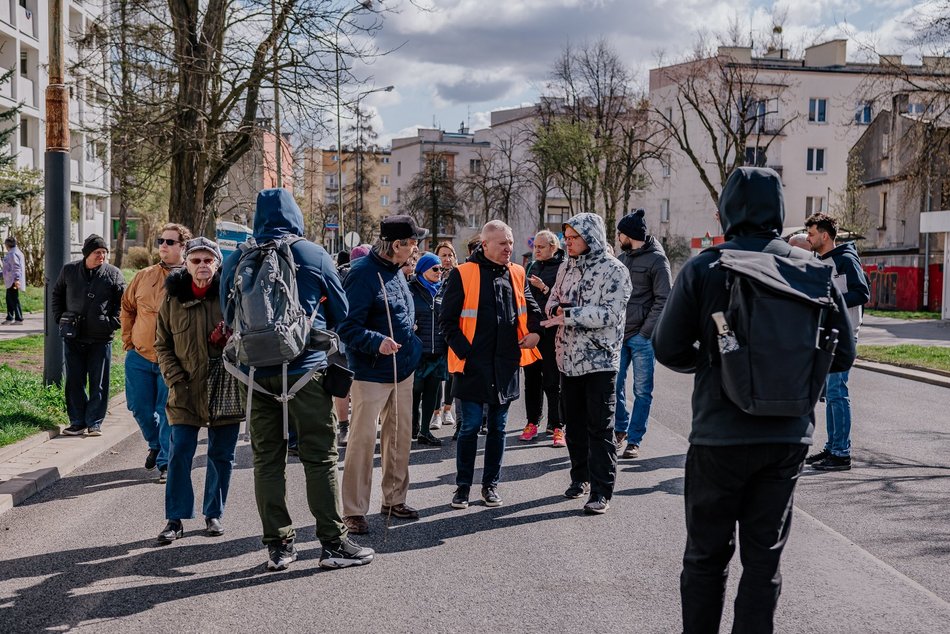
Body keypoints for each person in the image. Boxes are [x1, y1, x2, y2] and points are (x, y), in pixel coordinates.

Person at [653, 167, 855, 633]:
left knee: (705, 557)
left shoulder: (705, 267)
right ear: (779, 210)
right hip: (787, 435)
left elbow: (667, 347)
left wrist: (716, 363)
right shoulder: (813, 269)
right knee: (764, 562)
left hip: (719, 433)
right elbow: (843, 353)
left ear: (726, 210)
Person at [220, 188, 373, 571]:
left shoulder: (237, 258)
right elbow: (341, 310)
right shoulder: (313, 253)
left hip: (255, 374)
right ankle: (332, 544)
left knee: (267, 460)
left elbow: (226, 312)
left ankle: (279, 546)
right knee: (320, 457)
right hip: (306, 370)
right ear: (295, 216)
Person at [441, 220, 542, 510]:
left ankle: (490, 486)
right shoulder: (463, 273)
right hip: (473, 366)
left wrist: (535, 333)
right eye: (502, 243)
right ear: (485, 245)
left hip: (506, 364)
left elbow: (532, 309)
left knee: (498, 428)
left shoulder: (518, 272)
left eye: (510, 242)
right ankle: (462, 488)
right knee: (470, 427)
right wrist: (466, 353)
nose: (508, 248)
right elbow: (447, 322)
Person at [337, 215, 427, 535]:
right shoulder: (361, 274)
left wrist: (411, 340)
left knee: (399, 437)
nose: (416, 248)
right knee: (362, 443)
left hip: (403, 370)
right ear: (396, 245)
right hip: (371, 373)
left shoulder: (397, 270)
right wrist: (376, 342)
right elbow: (346, 326)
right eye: (412, 243)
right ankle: (354, 510)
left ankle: (394, 499)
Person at [542, 213, 631, 514]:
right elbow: (552, 300)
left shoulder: (615, 270)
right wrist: (555, 308)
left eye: (573, 238)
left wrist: (568, 315)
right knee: (574, 426)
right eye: (565, 238)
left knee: (600, 428)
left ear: (590, 237)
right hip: (567, 359)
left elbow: (610, 314)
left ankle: (601, 491)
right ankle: (579, 477)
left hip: (600, 361)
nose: (567, 243)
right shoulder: (566, 266)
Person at [154, 238, 242, 543]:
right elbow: (162, 344)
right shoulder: (172, 298)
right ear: (186, 264)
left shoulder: (230, 296)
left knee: (222, 454)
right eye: (196, 260)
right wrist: (174, 377)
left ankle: (213, 514)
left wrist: (230, 341)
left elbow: (248, 337)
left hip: (224, 386)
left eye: (208, 260)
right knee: (179, 452)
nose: (202, 265)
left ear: (217, 264)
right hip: (185, 388)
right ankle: (175, 519)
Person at [121, 223, 191, 480]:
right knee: (138, 407)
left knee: (166, 410)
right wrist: (128, 341)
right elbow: (127, 307)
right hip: (139, 356)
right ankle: (155, 444)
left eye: (170, 242)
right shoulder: (144, 275)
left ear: (183, 246)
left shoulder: (190, 277)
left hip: (171, 358)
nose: (163, 245)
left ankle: (164, 463)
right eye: (161, 241)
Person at [804, 212, 870, 472]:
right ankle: (833, 447)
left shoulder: (845, 260)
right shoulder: (819, 261)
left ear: (824, 235)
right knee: (831, 395)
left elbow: (862, 293)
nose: (808, 238)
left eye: (811, 234)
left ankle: (841, 453)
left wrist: (831, 302)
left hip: (844, 335)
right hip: (827, 335)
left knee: (837, 392)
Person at [51, 235, 125, 437]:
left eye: (104, 252)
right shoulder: (69, 270)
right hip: (73, 336)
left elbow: (123, 303)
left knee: (98, 382)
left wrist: (111, 323)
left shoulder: (113, 274)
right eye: (97, 252)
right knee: (74, 381)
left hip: (101, 338)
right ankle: (77, 422)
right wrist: (59, 317)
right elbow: (57, 294)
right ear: (86, 254)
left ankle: (94, 422)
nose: (101, 256)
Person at [614, 209, 672, 460]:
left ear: (629, 235)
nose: (617, 238)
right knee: (613, 385)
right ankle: (620, 429)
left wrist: (646, 332)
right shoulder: (622, 259)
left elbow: (664, 299)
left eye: (620, 234)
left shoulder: (658, 260)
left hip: (642, 338)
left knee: (642, 390)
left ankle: (634, 439)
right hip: (620, 334)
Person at [519, 230, 567, 448]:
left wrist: (544, 288)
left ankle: (557, 426)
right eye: (535, 247)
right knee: (531, 380)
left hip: (553, 332)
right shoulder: (532, 266)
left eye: (541, 247)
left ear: (553, 248)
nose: (536, 250)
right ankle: (532, 422)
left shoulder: (564, 268)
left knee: (552, 381)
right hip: (533, 330)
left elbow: (563, 302)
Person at [408, 252, 447, 446]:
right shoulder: (411, 289)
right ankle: (412, 425)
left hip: (438, 350)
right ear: (423, 270)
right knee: (415, 390)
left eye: (441, 269)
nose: (440, 272)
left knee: (432, 391)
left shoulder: (444, 290)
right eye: (435, 268)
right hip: (417, 351)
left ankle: (425, 431)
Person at [433, 241, 459, 430]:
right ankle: (436, 413)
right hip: (435, 330)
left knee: (451, 372)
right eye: (443, 255)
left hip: (453, 329)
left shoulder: (459, 275)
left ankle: (448, 409)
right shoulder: (433, 275)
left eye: (450, 255)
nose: (447, 259)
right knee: (436, 373)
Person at [2, 236, 26, 325]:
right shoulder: (15, 252)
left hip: (13, 280)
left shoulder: (13, 254)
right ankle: (10, 317)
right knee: (9, 299)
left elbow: (16, 267)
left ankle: (19, 319)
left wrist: (16, 279)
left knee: (13, 299)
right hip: (11, 280)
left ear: (7, 245)